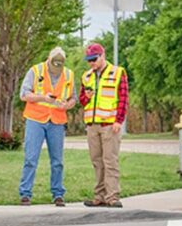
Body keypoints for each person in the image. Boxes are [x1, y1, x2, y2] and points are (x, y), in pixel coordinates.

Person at [18, 47, 76, 206]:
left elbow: (73, 98)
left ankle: (58, 194)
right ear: (48, 60)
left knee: (57, 161)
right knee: (31, 158)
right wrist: (43, 97)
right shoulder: (35, 71)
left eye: (59, 67)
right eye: (53, 66)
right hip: (35, 119)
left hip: (57, 121)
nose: (56, 70)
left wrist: (67, 105)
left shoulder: (69, 75)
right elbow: (24, 94)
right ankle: (25, 194)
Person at [79, 43, 128, 208]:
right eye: (89, 60)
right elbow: (82, 101)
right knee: (97, 162)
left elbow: (123, 99)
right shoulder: (86, 76)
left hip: (109, 125)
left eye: (94, 59)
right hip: (92, 125)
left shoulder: (118, 72)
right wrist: (86, 96)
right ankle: (99, 197)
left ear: (102, 56)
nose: (91, 63)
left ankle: (112, 197)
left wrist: (118, 121)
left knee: (110, 161)